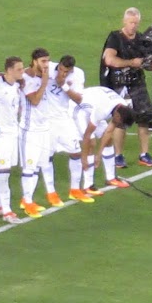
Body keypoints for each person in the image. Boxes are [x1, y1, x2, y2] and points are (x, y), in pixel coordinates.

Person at [101, 7, 152, 169]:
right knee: (121, 120)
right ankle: (118, 155)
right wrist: (131, 63)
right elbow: (109, 60)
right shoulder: (115, 38)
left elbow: (147, 60)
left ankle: (144, 154)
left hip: (137, 83)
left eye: (136, 23)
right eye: (131, 22)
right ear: (124, 21)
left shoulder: (142, 39)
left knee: (144, 118)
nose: (133, 26)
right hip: (120, 85)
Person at [43, 55, 93, 204]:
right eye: (61, 70)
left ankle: (75, 189)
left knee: (76, 151)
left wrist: (64, 85)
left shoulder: (78, 74)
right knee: (47, 156)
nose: (62, 74)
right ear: (58, 66)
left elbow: (78, 99)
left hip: (64, 118)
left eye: (66, 72)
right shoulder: (48, 67)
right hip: (46, 120)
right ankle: (51, 193)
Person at [0, 55, 24, 223]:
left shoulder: (16, 86)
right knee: (4, 171)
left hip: (12, 133)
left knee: (4, 171)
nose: (22, 72)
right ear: (9, 70)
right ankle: (7, 210)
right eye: (18, 69)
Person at [77, 86, 135, 191]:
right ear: (117, 116)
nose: (119, 125)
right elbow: (87, 134)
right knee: (91, 142)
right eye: (120, 123)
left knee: (108, 140)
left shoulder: (122, 107)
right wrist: (84, 157)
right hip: (80, 109)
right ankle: (88, 185)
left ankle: (111, 178)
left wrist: (99, 154)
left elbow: (108, 131)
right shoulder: (103, 109)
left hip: (94, 106)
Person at [18, 48, 52, 217]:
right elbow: (35, 101)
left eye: (47, 61)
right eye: (43, 61)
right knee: (29, 166)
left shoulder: (42, 75)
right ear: (34, 61)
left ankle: (28, 199)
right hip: (29, 129)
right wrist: (44, 82)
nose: (46, 65)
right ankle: (27, 201)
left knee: (38, 165)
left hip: (44, 128)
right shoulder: (26, 79)